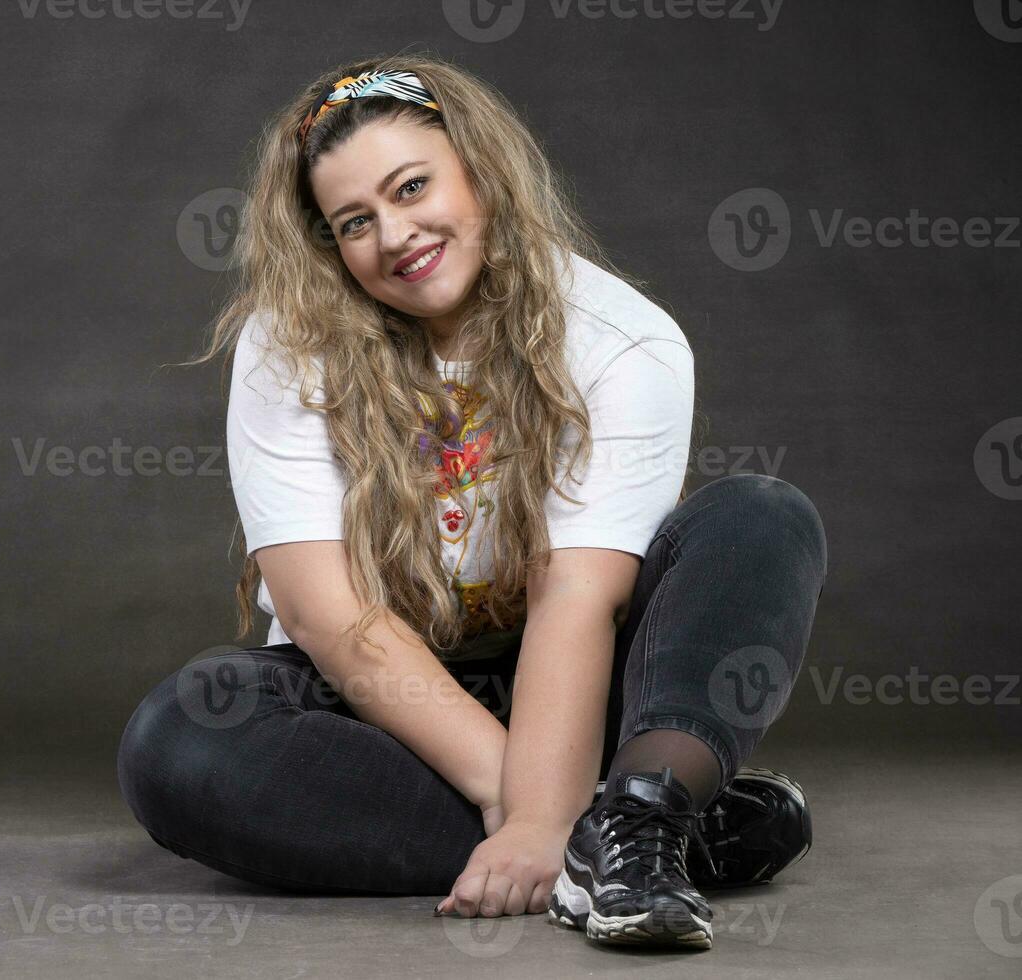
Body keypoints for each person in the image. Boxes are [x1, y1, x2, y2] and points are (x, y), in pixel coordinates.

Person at [117, 53, 827, 951]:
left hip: (573, 682)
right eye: (354, 221)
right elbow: (326, 614)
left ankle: (636, 812)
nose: (395, 234)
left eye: (413, 187)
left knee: (761, 514)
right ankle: (629, 838)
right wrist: (524, 810)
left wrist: (538, 807)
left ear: (480, 171)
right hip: (375, 704)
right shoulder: (287, 344)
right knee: (179, 738)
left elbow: (578, 595)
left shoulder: (623, 341)